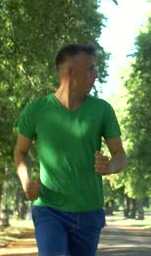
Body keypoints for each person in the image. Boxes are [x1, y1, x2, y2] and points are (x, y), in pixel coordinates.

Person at [14, 43, 126, 256]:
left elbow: (120, 154)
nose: (96, 74)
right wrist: (26, 181)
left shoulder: (102, 110)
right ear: (70, 72)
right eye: (90, 68)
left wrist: (110, 166)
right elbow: (20, 151)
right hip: (50, 208)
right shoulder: (36, 111)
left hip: (89, 211)